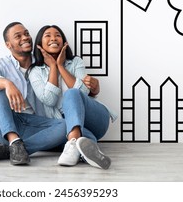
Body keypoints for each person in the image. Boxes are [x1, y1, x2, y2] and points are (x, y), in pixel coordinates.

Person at [27, 25, 117, 169]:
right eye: (47, 35)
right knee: (88, 138)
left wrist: (60, 66)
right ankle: (80, 148)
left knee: (72, 93)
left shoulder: (76, 62)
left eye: (57, 35)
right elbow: (49, 100)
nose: (53, 38)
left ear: (64, 42)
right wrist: (53, 68)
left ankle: (72, 142)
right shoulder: (35, 71)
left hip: (95, 119)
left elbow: (84, 92)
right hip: (67, 124)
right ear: (39, 45)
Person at [0, 22, 67, 165]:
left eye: (27, 34)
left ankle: (11, 149)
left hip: (35, 126)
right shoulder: (3, 64)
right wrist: (7, 84)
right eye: (18, 36)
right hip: (7, 124)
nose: (25, 38)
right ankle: (13, 139)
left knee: (66, 126)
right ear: (9, 45)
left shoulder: (43, 62)